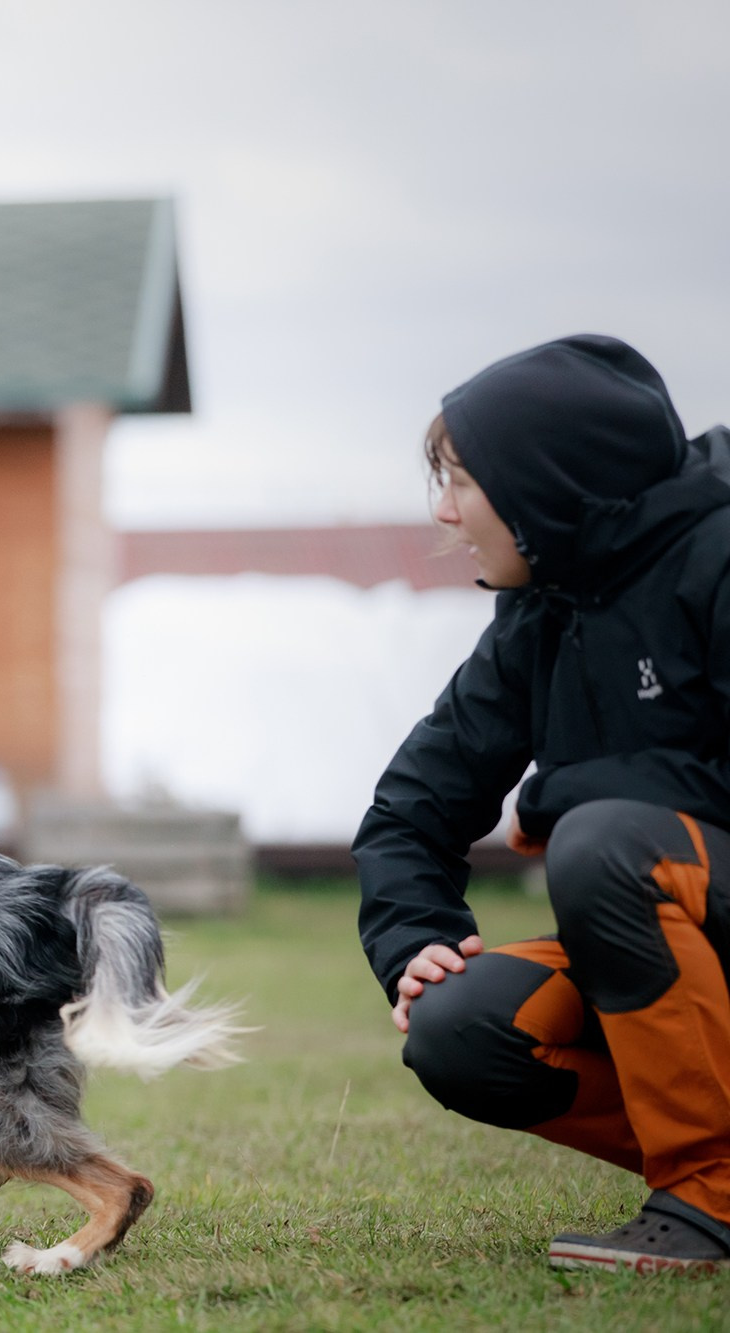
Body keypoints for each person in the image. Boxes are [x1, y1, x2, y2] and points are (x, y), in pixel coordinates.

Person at [355, 334, 730, 1274]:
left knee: (603, 842)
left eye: (462, 483)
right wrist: (413, 942)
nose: (443, 512)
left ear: (548, 486)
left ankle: (710, 1193)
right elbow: (409, 809)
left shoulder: (718, 557)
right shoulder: (541, 605)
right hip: (666, 948)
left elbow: (608, 819)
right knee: (457, 1026)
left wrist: (566, 796)